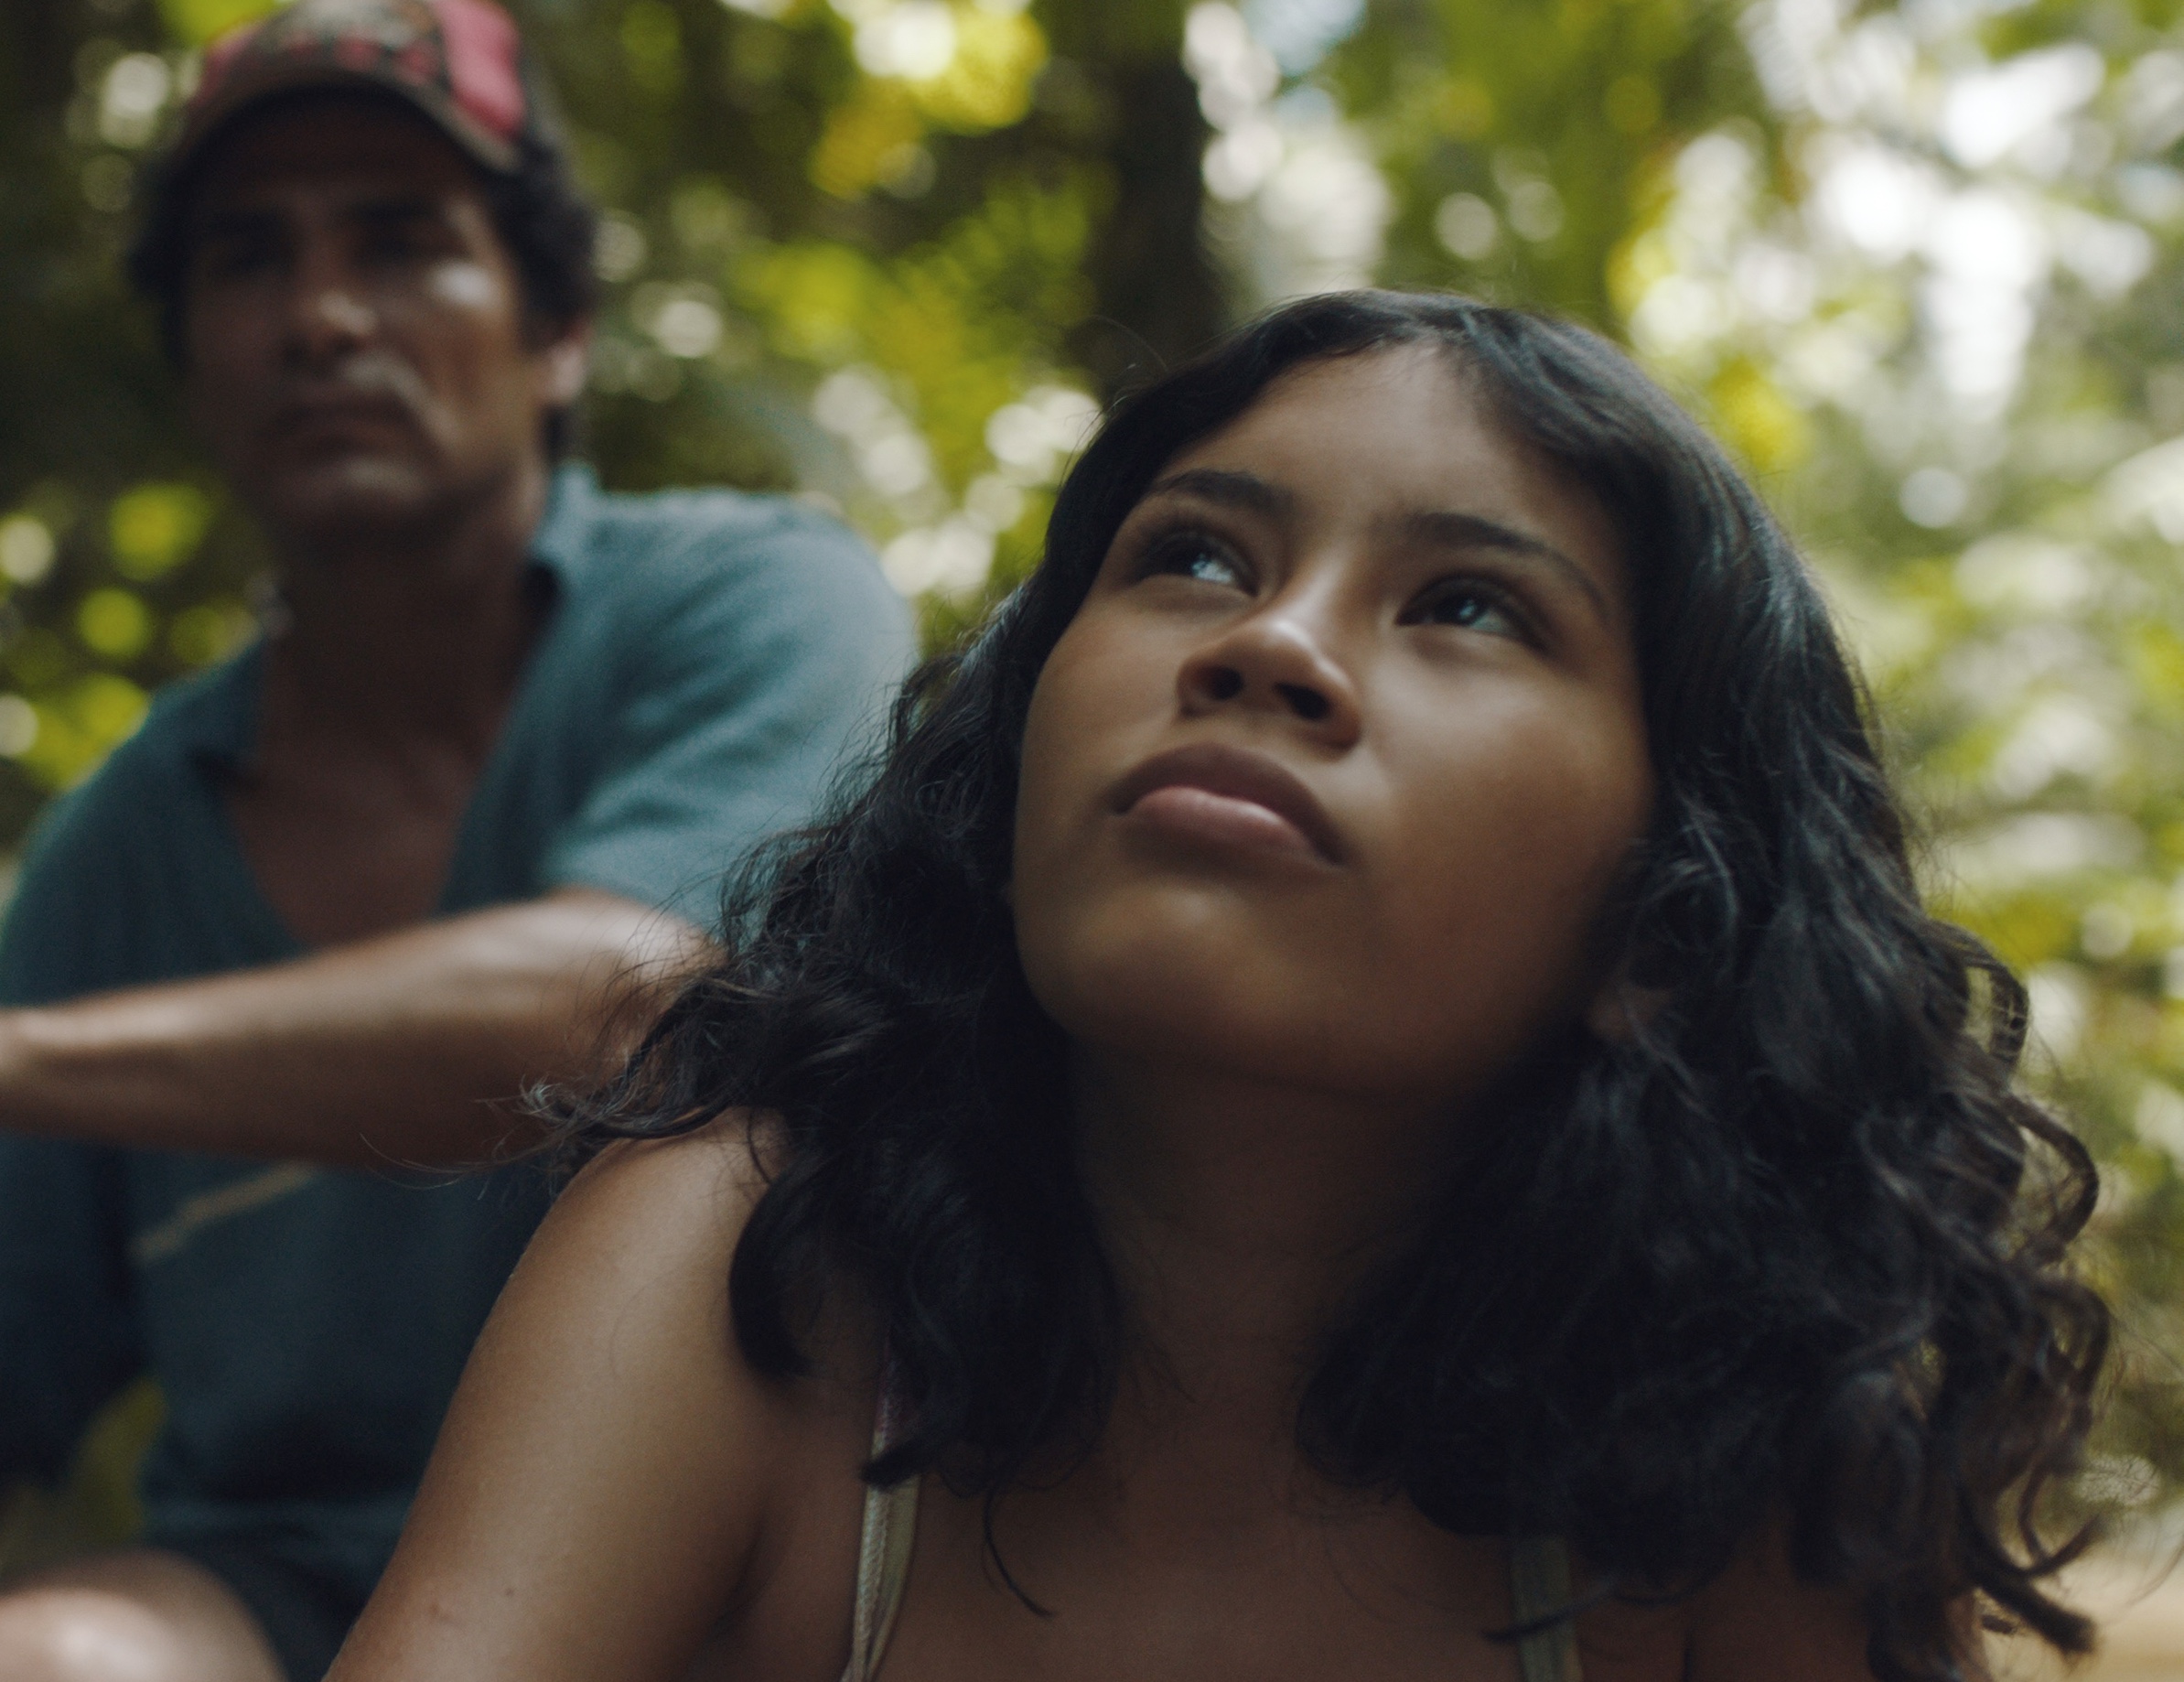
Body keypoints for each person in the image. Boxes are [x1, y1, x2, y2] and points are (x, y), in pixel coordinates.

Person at [328, 291, 2105, 1682]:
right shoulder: (753, 1258)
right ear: (1015, 779)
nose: (1269, 643)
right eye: (1193, 557)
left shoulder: (1747, 1458)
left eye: (1472, 606)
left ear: (1661, 937)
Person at [0, 3, 913, 1680]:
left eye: (403, 243)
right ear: (195, 357)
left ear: (555, 327)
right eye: (249, 258)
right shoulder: (118, 858)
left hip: (727, 1569)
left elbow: (623, 1002)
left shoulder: (756, 601)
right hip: (268, 1590)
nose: (323, 315)